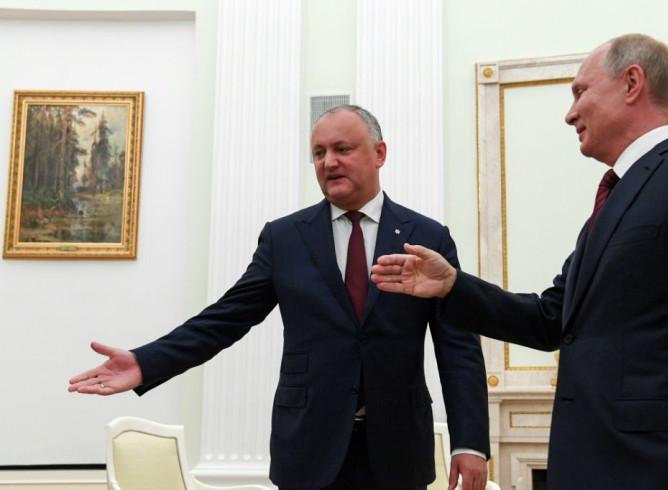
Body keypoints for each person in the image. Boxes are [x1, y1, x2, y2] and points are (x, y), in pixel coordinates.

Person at [371, 34, 668, 489]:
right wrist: (452, 286)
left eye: (581, 91)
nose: (570, 113)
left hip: (659, 469)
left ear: (632, 82)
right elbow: (550, 319)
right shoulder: (614, 199)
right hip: (592, 465)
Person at [68, 105, 490, 490]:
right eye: (319, 152)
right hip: (308, 447)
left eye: (343, 148)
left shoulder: (427, 238)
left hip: (398, 448)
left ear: (379, 153)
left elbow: (459, 349)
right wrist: (146, 362)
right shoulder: (286, 238)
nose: (329, 162)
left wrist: (469, 442)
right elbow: (226, 318)